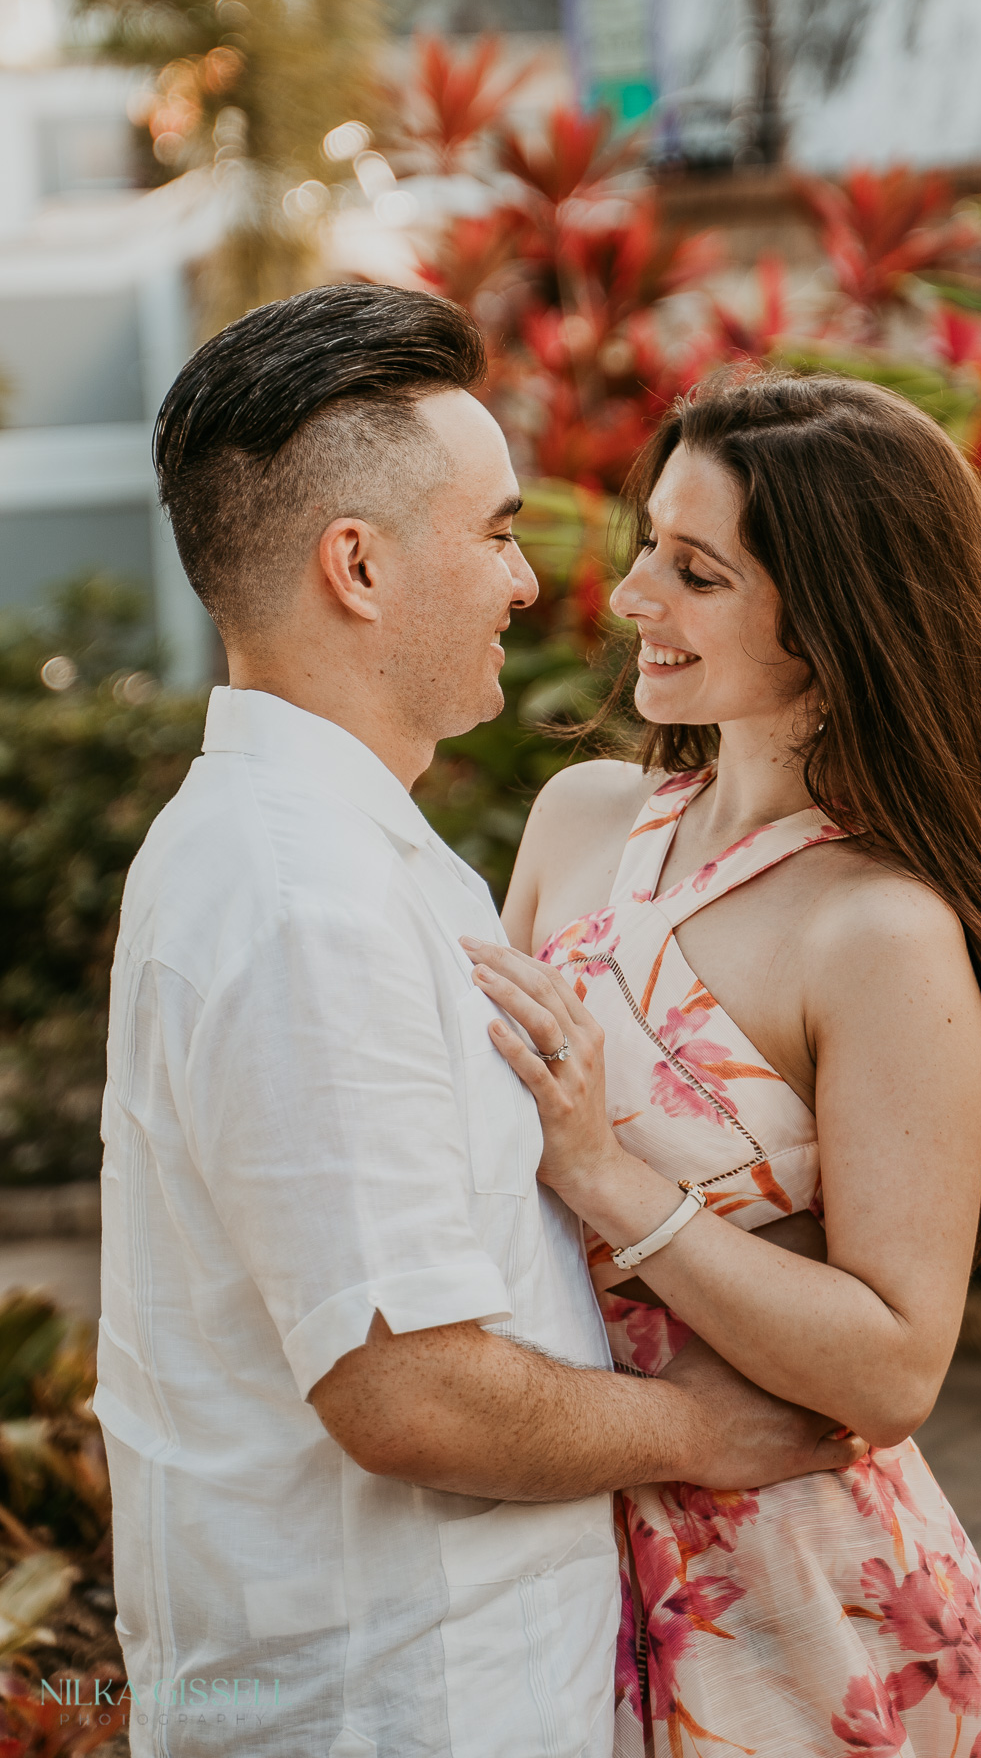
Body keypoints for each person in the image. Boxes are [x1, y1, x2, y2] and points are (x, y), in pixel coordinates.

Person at [97, 290, 866, 1758]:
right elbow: (411, 1390)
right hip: (398, 1703)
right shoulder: (300, 901)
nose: (530, 583)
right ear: (361, 566)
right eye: (498, 532)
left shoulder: (330, 844)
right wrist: (707, 1429)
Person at [468, 371, 981, 1756]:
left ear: (838, 621)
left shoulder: (877, 930)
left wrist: (603, 1172)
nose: (630, 595)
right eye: (652, 542)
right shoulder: (580, 818)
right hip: (547, 1535)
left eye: (695, 570)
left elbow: (895, 1369)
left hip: (790, 1591)